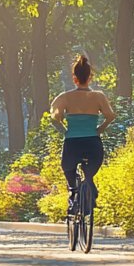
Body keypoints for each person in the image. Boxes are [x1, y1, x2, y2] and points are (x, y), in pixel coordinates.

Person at [51, 53, 116, 216]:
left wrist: (65, 131)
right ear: (90, 77)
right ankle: (89, 185)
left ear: (74, 78)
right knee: (89, 171)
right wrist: (100, 129)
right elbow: (110, 115)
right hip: (92, 143)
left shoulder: (64, 97)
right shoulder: (98, 96)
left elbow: (55, 117)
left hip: (72, 143)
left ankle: (73, 193)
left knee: (68, 167)